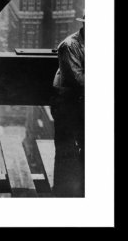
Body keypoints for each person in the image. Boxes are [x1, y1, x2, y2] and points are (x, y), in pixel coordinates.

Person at [51, 14, 85, 197]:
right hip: (66, 103)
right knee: (67, 150)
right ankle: (64, 194)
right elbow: (77, 79)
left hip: (83, 102)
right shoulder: (69, 45)